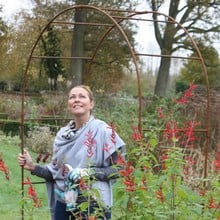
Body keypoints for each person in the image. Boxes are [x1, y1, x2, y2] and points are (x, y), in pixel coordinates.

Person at [18, 85, 126, 220]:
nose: (76, 100)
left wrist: (89, 173)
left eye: (82, 96)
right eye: (72, 97)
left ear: (91, 104)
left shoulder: (104, 132)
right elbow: (57, 174)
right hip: (65, 202)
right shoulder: (62, 135)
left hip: (93, 202)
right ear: (68, 104)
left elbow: (121, 169)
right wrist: (33, 167)